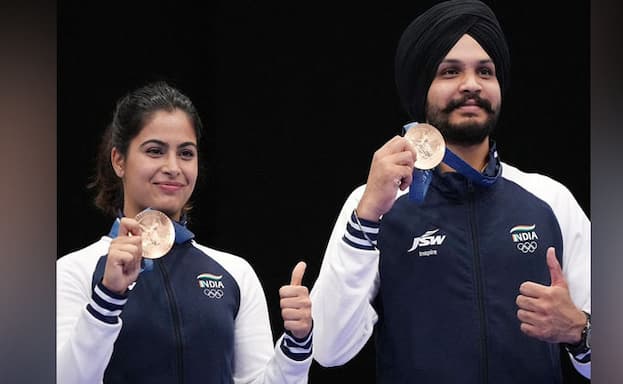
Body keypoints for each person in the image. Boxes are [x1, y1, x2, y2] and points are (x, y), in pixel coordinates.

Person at [309, 0, 590, 382]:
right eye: (450, 71)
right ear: (421, 88)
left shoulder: (550, 200)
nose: (471, 84)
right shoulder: (376, 203)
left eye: (485, 71)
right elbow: (329, 349)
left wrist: (580, 332)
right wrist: (367, 216)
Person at [57, 81, 313, 383]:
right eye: (155, 151)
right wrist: (108, 298)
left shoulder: (235, 272)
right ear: (119, 160)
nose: (173, 167)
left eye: (186, 153)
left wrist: (297, 345)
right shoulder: (75, 271)